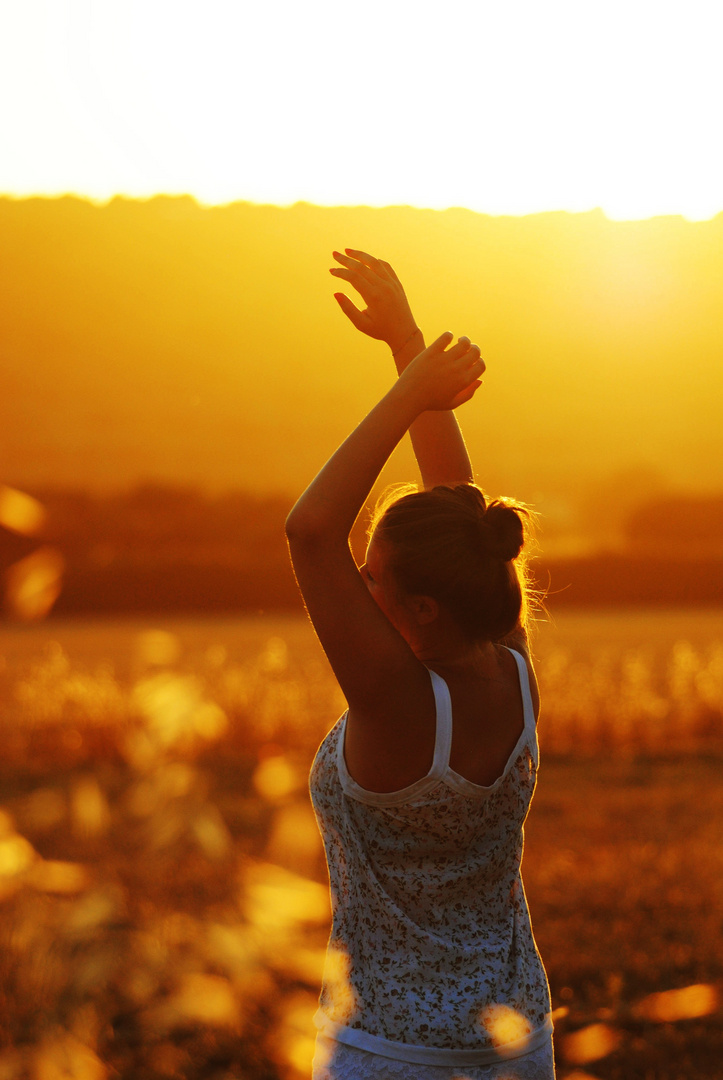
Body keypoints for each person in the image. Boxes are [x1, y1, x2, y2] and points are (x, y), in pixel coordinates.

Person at [285, 250, 554, 1080]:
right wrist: (405, 344)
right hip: (517, 1040)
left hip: (391, 1054)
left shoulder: (394, 707)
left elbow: (308, 532)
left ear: (425, 608)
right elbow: (457, 509)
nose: (359, 588)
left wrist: (410, 388)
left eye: (373, 578)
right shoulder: (510, 667)